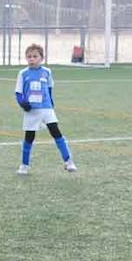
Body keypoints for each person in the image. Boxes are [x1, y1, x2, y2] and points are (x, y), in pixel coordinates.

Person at [15, 43, 77, 175]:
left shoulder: (47, 72)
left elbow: (49, 89)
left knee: (57, 133)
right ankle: (24, 165)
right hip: (31, 111)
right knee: (29, 138)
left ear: (41, 58)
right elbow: (18, 93)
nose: (31, 59)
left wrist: (51, 103)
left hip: (47, 109)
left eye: (35, 56)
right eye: (29, 57)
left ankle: (68, 162)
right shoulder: (23, 73)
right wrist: (22, 103)